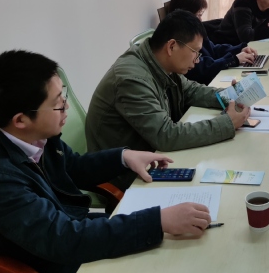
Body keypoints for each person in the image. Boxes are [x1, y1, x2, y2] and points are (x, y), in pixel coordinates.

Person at [0, 50, 213, 273]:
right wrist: (158, 221)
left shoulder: (34, 134)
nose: (66, 106)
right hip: (50, 255)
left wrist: (124, 157)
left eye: (63, 95)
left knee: (185, 248)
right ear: (21, 120)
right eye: (57, 103)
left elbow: (72, 167)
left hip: (70, 226)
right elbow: (62, 238)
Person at [86, 10, 250, 189]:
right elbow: (165, 135)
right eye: (195, 52)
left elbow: (192, 91)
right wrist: (227, 124)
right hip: (125, 174)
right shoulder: (132, 79)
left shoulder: (159, 61)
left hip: (152, 157)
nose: (197, 60)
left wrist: (232, 95)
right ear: (171, 46)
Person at [167, 0, 258, 85]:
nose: (200, 20)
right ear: (185, 15)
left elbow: (213, 49)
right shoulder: (180, 39)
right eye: (198, 15)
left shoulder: (195, 31)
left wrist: (239, 49)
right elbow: (202, 68)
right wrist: (234, 60)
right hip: (205, 82)